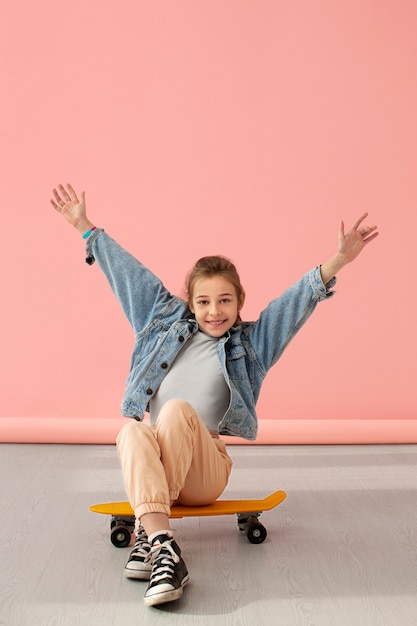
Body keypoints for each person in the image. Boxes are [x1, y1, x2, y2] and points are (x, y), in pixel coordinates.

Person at [51, 183, 378, 607]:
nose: (214, 311)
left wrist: (337, 261)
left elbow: (292, 304)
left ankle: (148, 539)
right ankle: (162, 546)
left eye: (225, 300)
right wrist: (84, 226)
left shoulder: (252, 344)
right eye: (203, 301)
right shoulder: (160, 320)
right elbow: (128, 273)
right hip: (163, 466)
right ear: (190, 301)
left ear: (240, 301)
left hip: (205, 470)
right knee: (131, 432)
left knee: (174, 412)